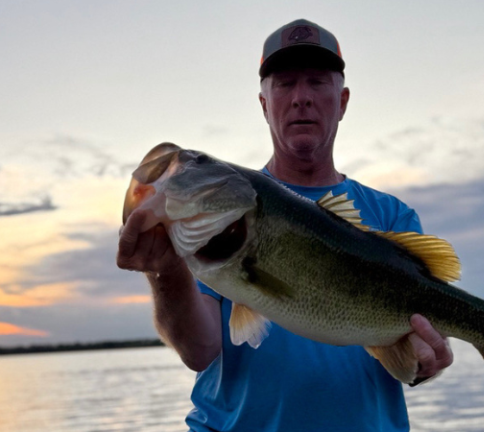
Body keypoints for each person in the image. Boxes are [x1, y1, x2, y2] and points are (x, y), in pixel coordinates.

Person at [117, 19, 453, 431]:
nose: (301, 99)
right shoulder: (216, 216)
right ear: (263, 104)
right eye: (284, 84)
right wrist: (165, 272)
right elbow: (200, 350)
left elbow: (421, 351)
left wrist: (424, 360)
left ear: (342, 101)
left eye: (316, 82)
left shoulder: (391, 218)